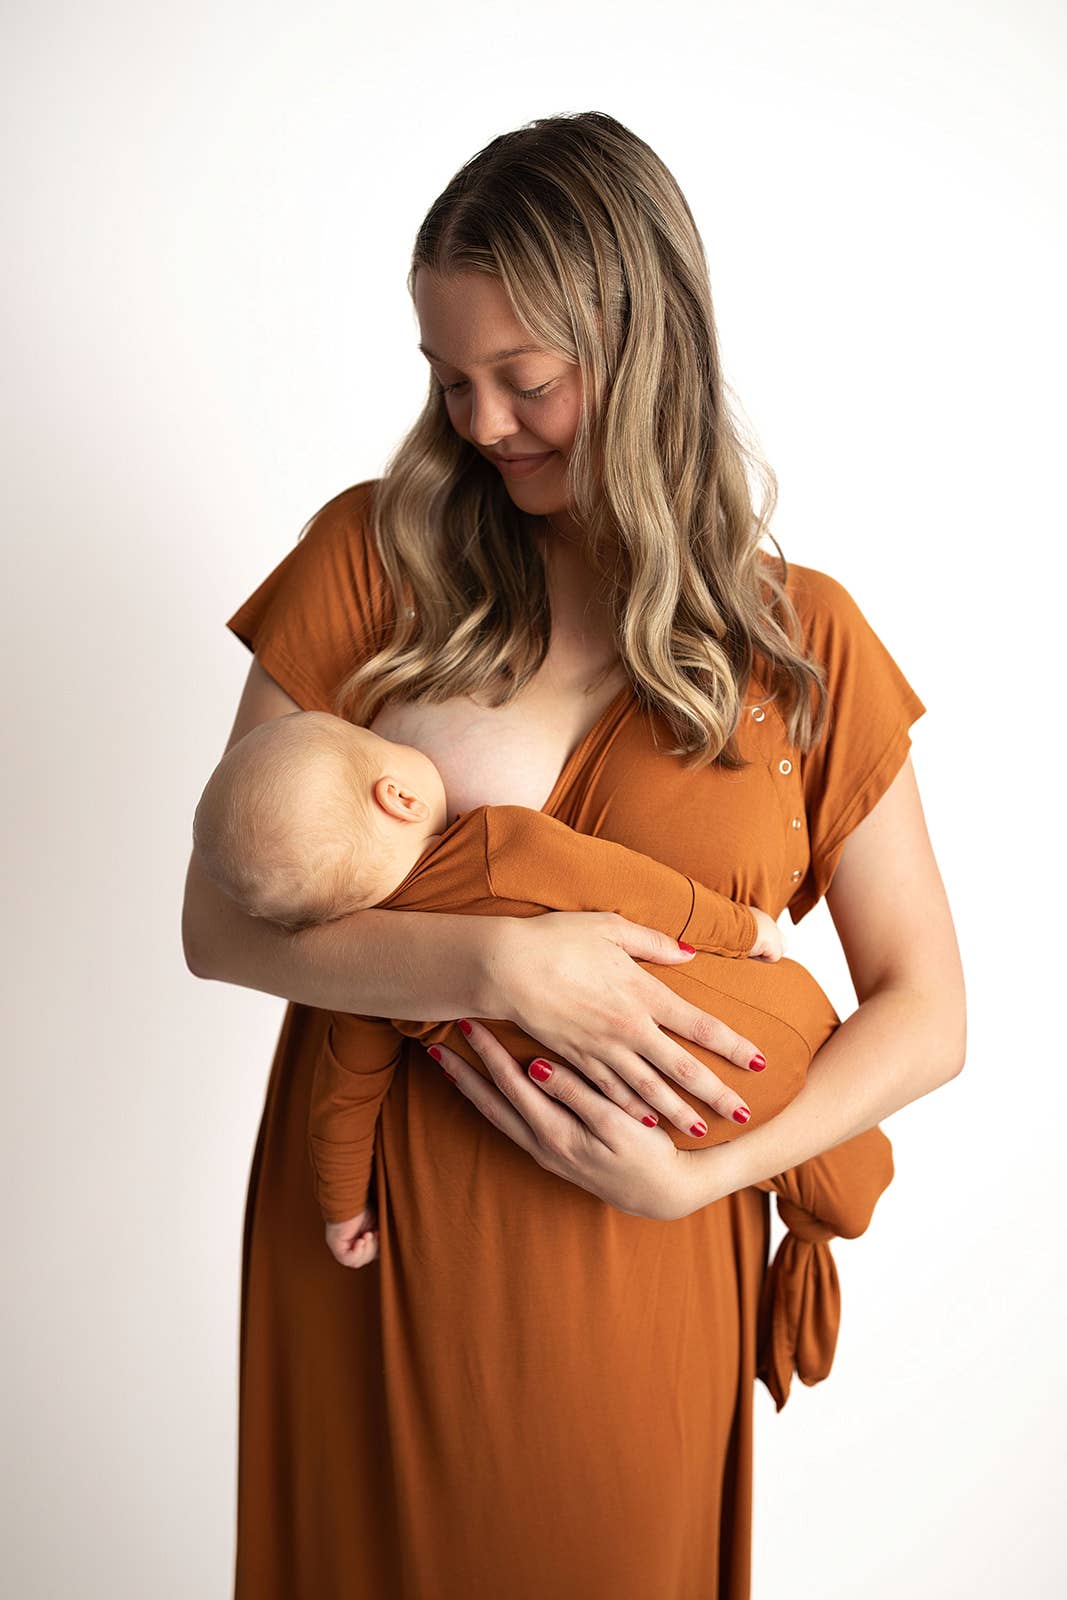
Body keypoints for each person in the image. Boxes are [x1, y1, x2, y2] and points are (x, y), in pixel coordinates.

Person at [183, 111, 965, 1600]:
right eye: (447, 380)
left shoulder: (803, 649)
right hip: (368, 1252)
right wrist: (488, 959)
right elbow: (216, 926)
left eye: (523, 380)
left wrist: (715, 1176)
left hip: (639, 1246)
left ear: (643, 340)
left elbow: (926, 1011)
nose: (479, 425)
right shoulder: (373, 556)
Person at [189, 707, 891, 1287]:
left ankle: (820, 1210)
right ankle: (835, 1205)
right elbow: (635, 891)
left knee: (788, 1145)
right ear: (396, 796)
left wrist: (342, 1207)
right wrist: (742, 927)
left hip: (639, 1121)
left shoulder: (380, 977)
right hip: (744, 1032)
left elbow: (343, 1096)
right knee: (818, 1103)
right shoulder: (497, 842)